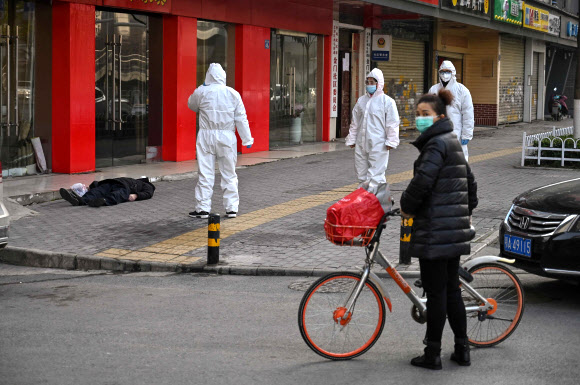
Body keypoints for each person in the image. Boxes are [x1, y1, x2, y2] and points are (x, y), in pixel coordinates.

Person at [400, 89, 478, 370]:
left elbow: (422, 183)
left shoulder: (435, 145)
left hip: (435, 232)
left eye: (425, 115)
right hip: (452, 230)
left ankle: (432, 354)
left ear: (440, 116)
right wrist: (462, 213)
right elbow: (471, 185)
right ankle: (462, 349)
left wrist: (406, 206)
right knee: (452, 291)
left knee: (436, 295)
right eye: (418, 114)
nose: (420, 119)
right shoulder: (452, 141)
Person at [187, 63, 254, 219]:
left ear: (208, 76)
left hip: (206, 136)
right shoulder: (233, 94)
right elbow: (241, 118)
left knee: (205, 173)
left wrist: (201, 87)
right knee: (229, 173)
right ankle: (231, 208)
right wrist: (247, 138)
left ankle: (202, 208)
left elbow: (191, 105)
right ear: (223, 76)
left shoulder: (201, 92)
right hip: (227, 137)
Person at [345, 68, 400, 191]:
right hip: (361, 143)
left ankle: (378, 203)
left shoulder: (387, 102)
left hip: (379, 144)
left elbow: (392, 123)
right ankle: (364, 202)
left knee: (376, 176)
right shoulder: (361, 101)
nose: (369, 85)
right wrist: (352, 139)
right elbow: (355, 122)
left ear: (379, 84)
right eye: (368, 82)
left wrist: (391, 141)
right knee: (361, 175)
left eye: (372, 82)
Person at [428, 61, 474, 161]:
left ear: (453, 73)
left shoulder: (462, 90)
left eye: (447, 71)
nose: (445, 74)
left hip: (456, 132)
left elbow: (468, 114)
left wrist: (467, 134)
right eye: (442, 71)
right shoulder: (434, 90)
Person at [59, 177, 155, 208]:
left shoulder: (147, 185)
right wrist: (93, 186)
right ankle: (80, 201)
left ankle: (100, 201)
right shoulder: (134, 180)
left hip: (122, 186)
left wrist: (136, 195)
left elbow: (148, 194)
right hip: (115, 183)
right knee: (98, 191)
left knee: (115, 194)